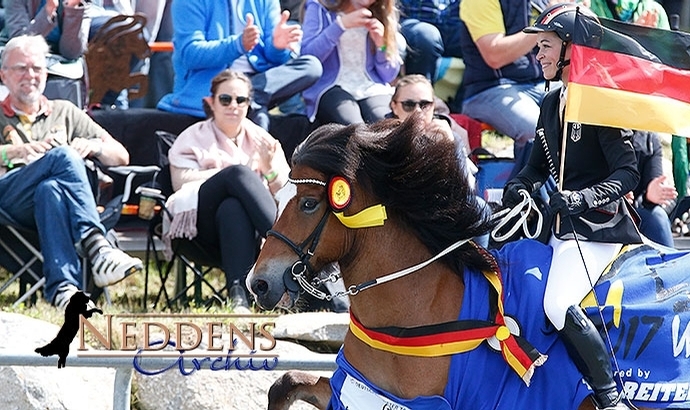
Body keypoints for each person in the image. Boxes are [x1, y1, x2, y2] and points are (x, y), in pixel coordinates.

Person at [501, 4, 640, 409]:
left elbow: (628, 173)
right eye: (537, 46)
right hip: (558, 227)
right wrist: (519, 186)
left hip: (598, 229)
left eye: (545, 46)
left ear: (571, 50)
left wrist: (583, 198)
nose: (537, 54)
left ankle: (610, 398)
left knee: (558, 304)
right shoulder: (549, 102)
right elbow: (535, 168)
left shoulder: (601, 102)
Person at [0, 35, 143, 309]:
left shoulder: (65, 111)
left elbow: (120, 156)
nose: (30, 75)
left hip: (50, 204)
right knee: (62, 155)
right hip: (8, 198)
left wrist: (92, 146)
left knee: (50, 190)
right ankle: (98, 247)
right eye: (21, 68)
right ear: (3, 75)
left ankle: (64, 290)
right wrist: (19, 152)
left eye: (37, 68)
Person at [165, 69, 290, 308]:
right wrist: (231, 175)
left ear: (248, 104)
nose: (233, 105)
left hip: (251, 232)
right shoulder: (191, 137)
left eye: (241, 100)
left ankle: (239, 296)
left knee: (233, 207)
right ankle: (289, 250)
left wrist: (268, 170)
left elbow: (286, 192)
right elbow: (180, 182)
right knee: (238, 174)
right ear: (210, 103)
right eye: (225, 99)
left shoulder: (263, 140)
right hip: (198, 233)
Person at [156, 0, 322, 131]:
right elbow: (190, 54)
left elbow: (274, 58)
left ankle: (250, 97)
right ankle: (248, 99)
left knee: (311, 65)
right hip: (212, 87)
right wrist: (238, 45)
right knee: (259, 119)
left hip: (257, 82)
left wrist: (278, 46)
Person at [458, 0, 551, 178]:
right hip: (488, 89)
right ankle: (526, 197)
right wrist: (546, 23)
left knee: (587, 116)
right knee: (539, 129)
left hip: (542, 83)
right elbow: (495, 55)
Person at [300, 0, 401, 125]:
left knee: (383, 123)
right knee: (354, 126)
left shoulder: (381, 11)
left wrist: (382, 46)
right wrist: (340, 25)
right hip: (330, 86)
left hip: (370, 86)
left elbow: (389, 75)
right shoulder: (320, 7)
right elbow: (308, 57)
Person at [629, 131, 677, 247]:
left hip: (635, 208)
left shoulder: (649, 139)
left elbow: (654, 178)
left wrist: (649, 195)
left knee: (657, 216)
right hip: (601, 206)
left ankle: (668, 264)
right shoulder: (600, 130)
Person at [0, 0, 90, 60]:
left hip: (60, 67)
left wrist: (72, 8)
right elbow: (20, 46)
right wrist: (49, 10)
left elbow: (71, 53)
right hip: (23, 59)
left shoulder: (82, 2)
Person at [398, 0, 463, 83]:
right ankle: (418, 92)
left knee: (478, 36)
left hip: (454, 23)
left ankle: (472, 94)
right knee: (426, 36)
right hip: (416, 22)